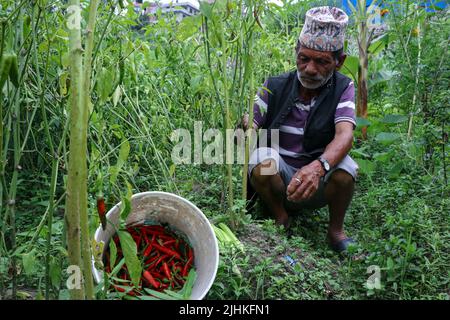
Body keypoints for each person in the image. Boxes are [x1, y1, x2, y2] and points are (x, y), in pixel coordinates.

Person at [243, 6, 358, 253]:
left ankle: (336, 231)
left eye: (322, 61)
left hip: (317, 182)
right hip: (280, 179)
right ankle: (280, 216)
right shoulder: (274, 85)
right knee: (262, 159)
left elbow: (345, 135)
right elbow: (250, 127)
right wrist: (245, 126)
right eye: (303, 58)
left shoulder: (343, 87)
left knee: (346, 169)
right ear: (296, 52)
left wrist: (318, 167)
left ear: (339, 62)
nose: (310, 69)